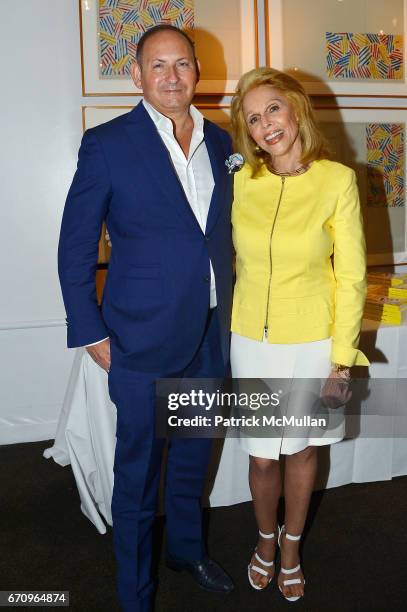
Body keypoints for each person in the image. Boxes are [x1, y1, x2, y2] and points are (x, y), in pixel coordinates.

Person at [58, 25, 234, 612]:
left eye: (181, 64)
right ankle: (134, 593)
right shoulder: (107, 143)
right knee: (137, 473)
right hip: (138, 338)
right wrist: (90, 331)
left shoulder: (223, 142)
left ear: (196, 72)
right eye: (157, 66)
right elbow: (76, 246)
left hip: (211, 334)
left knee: (192, 455)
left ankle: (185, 549)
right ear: (136, 76)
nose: (171, 77)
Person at [229, 67, 370, 602]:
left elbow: (352, 275)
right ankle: (264, 541)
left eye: (273, 110)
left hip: (314, 341)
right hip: (252, 338)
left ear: (295, 110)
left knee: (303, 451)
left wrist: (341, 359)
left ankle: (290, 549)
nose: (266, 124)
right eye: (253, 117)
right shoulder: (243, 180)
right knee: (263, 456)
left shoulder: (336, 181)